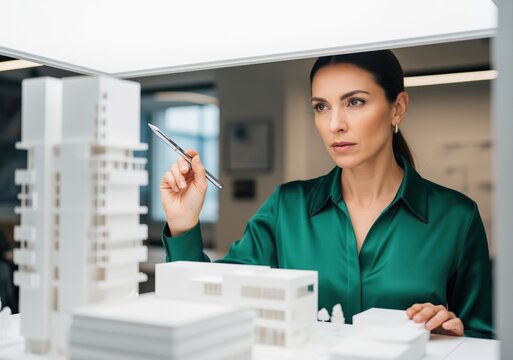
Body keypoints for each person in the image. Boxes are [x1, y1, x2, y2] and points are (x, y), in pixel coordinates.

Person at [159, 50, 494, 339]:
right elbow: (207, 304)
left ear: (397, 108)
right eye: (321, 107)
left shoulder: (457, 218)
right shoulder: (286, 208)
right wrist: (184, 224)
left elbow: (485, 335)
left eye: (355, 102)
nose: (335, 123)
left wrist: (458, 337)